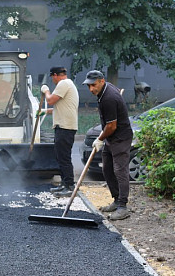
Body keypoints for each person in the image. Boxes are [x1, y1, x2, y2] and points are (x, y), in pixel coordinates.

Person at [82, 70, 133, 221]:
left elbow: (111, 126)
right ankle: (116, 200)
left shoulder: (109, 98)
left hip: (120, 138)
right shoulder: (106, 90)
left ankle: (123, 207)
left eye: (94, 85)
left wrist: (99, 138)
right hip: (111, 138)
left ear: (102, 81)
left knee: (120, 170)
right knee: (107, 168)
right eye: (89, 86)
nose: (91, 89)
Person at [40, 66, 79, 197]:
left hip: (65, 127)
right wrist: (44, 112)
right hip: (63, 126)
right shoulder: (69, 84)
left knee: (64, 157)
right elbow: (60, 107)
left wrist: (46, 90)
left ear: (55, 75)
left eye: (52, 77)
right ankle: (64, 183)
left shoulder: (64, 83)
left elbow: (50, 100)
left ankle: (69, 186)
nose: (53, 80)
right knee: (60, 156)